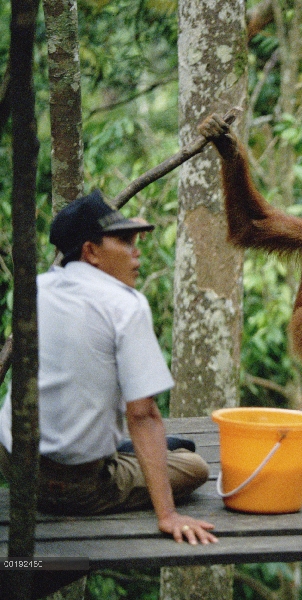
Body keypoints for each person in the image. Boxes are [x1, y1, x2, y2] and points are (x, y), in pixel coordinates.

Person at [0, 191, 217, 544]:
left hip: (14, 464)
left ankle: (119, 450)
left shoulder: (37, 288)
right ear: (91, 252)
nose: (137, 251)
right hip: (75, 485)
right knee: (194, 467)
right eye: (124, 240)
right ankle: (121, 457)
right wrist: (168, 514)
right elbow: (143, 415)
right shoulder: (125, 305)